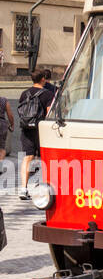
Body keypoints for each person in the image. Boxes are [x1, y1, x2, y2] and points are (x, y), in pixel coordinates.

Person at [16, 69, 57, 199]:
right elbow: (50, 113)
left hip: (26, 129)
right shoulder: (48, 94)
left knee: (27, 158)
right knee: (44, 158)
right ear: (43, 79)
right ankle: (42, 187)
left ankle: (23, 188)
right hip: (41, 130)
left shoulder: (24, 93)